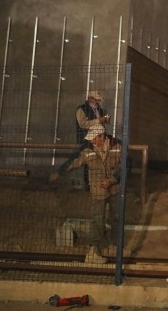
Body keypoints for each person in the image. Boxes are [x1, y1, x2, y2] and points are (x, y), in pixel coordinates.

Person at [50, 125, 123, 264]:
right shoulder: (87, 149)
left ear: (102, 136)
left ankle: (114, 246)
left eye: (94, 138)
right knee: (97, 219)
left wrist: (113, 180)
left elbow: (125, 166)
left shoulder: (117, 146)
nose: (92, 141)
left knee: (117, 218)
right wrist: (59, 172)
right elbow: (73, 161)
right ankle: (93, 251)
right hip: (98, 190)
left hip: (115, 189)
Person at [72, 91, 110, 189]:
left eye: (98, 100)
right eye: (96, 100)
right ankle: (88, 184)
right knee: (89, 161)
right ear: (90, 98)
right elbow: (83, 124)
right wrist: (99, 120)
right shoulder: (81, 109)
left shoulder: (99, 110)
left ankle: (98, 183)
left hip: (98, 139)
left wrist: (104, 120)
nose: (97, 102)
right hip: (87, 139)